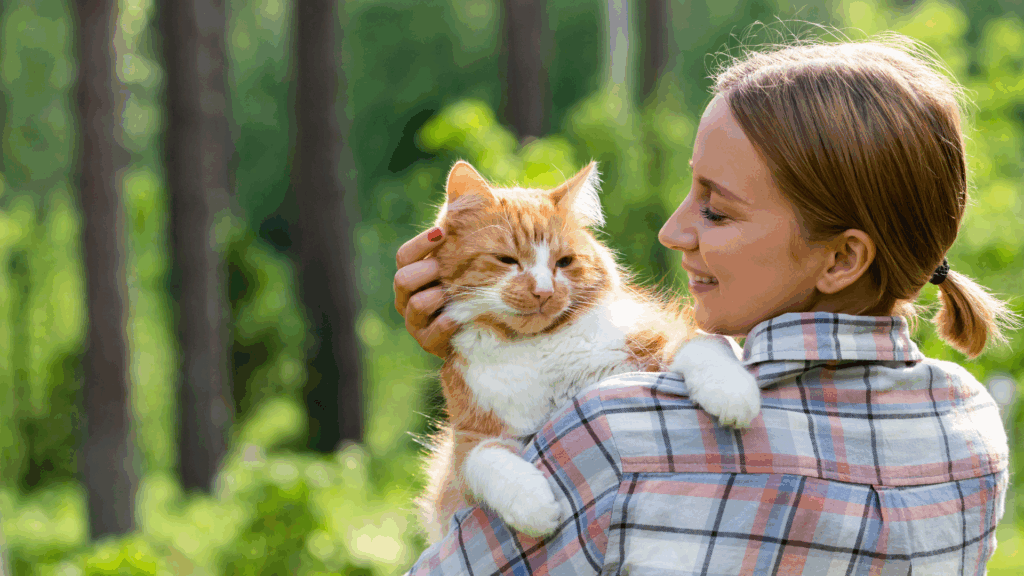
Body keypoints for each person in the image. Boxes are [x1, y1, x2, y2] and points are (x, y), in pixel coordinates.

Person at [393, 35, 1015, 575]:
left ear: (841, 260)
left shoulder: (618, 434)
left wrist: (475, 365)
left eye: (715, 210)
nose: (671, 229)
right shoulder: (969, 423)